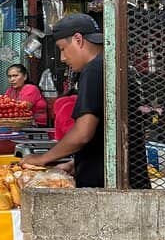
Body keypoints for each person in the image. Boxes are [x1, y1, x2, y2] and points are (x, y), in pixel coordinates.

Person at [21, 14, 104, 188]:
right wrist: (76, 164)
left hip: (102, 189)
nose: (62, 58)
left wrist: (44, 158)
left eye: (62, 48)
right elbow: (106, 135)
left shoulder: (94, 70)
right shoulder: (110, 64)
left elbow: (83, 133)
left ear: (78, 39)